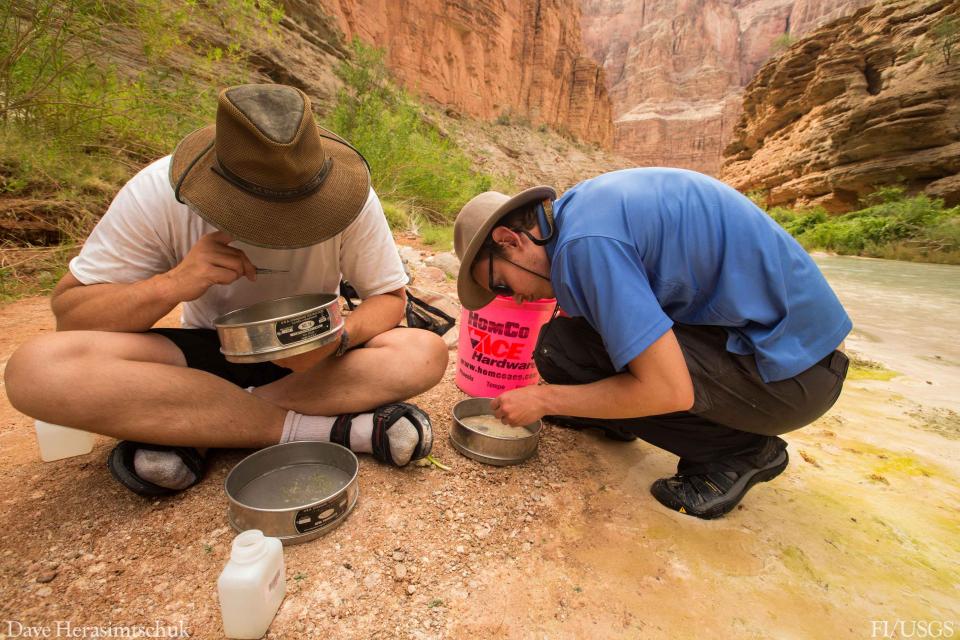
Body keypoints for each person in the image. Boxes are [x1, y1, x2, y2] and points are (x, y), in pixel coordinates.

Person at [6, 84, 448, 496]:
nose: (279, 228)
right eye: (258, 213)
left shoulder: (350, 196)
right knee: (36, 370)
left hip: (313, 364)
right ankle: (329, 431)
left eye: (300, 211)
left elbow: (389, 299)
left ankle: (201, 427)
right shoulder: (159, 192)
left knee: (423, 352)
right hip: (202, 359)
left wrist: (340, 339)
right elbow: (72, 316)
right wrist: (174, 283)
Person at [453, 168, 851, 519]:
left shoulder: (586, 244)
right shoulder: (580, 212)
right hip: (784, 356)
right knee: (564, 344)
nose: (518, 299)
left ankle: (741, 453)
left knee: (592, 365)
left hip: (797, 378)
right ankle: (617, 417)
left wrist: (545, 400)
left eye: (503, 284)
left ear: (509, 240)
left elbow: (667, 388)